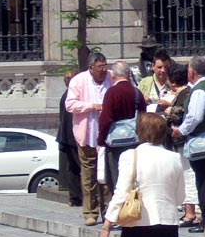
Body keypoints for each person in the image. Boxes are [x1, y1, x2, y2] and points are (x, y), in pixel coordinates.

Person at [171, 56, 205, 234]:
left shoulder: (199, 91)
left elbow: (194, 117)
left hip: (203, 142)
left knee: (203, 181)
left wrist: (180, 130)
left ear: (191, 71)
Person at [66, 53, 113, 226]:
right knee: (89, 176)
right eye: (100, 67)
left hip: (107, 137)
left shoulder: (111, 78)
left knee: (106, 175)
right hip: (87, 135)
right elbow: (70, 104)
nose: (103, 70)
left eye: (105, 66)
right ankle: (90, 212)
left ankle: (108, 210)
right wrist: (90, 106)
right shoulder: (78, 81)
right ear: (91, 68)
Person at [98, 61, 147, 196]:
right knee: (134, 178)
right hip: (135, 141)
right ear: (128, 74)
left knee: (117, 179)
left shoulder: (111, 93)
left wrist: (100, 141)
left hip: (115, 145)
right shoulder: (137, 93)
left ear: (113, 75)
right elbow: (143, 116)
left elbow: (105, 119)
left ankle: (121, 210)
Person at [164, 64, 200, 227]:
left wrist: (169, 111)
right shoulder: (186, 92)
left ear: (172, 81)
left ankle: (190, 213)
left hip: (183, 141)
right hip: (182, 142)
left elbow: (182, 115)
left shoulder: (185, 94)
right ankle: (189, 210)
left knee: (188, 175)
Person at [56, 72, 82, 206]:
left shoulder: (66, 96)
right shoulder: (71, 96)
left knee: (73, 167)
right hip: (73, 137)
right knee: (78, 166)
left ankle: (75, 197)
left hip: (67, 136)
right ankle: (77, 197)